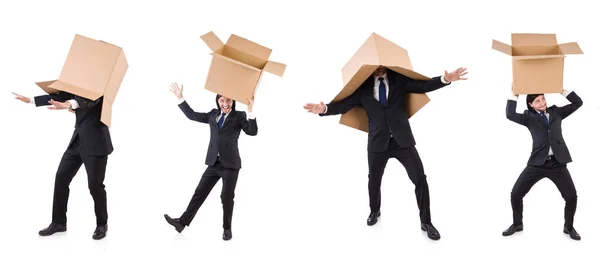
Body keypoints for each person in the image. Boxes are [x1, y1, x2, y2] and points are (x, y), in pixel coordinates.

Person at [303, 66, 467, 240]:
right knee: (374, 180)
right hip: (377, 143)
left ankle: (426, 222)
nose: (379, 67)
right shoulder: (362, 87)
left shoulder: (399, 79)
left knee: (420, 178)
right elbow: (344, 106)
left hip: (402, 141)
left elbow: (422, 86)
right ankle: (374, 211)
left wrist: (445, 79)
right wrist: (324, 110)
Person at [12, 91, 112, 240]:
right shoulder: (79, 84)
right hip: (78, 141)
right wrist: (31, 100)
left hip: (96, 142)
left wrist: (68, 104)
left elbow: (88, 101)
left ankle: (102, 224)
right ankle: (58, 222)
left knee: (95, 186)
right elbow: (61, 95)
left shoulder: (100, 87)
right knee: (61, 178)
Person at [164, 82, 257, 241]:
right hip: (214, 163)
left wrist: (250, 111)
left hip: (230, 165)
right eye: (222, 100)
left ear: (233, 102)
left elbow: (252, 132)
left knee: (226, 197)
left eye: (228, 101)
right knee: (199, 193)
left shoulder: (239, 116)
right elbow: (192, 115)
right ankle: (182, 223)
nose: (225, 104)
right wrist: (180, 97)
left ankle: (227, 229)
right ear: (218, 101)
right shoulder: (213, 115)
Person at [503, 84, 583, 240]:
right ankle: (517, 223)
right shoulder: (528, 117)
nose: (541, 103)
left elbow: (578, 103)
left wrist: (562, 91)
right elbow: (510, 114)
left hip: (557, 163)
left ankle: (569, 227)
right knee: (516, 194)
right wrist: (515, 94)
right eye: (537, 101)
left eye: (542, 99)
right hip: (537, 163)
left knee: (571, 196)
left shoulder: (556, 112)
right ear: (531, 105)